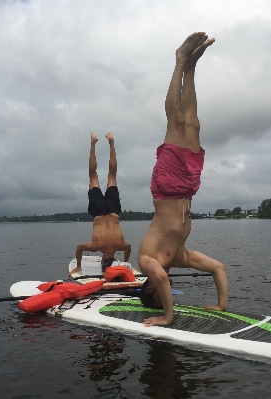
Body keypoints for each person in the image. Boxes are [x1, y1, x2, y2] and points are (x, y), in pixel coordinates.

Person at [137, 32, 229, 327]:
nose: (158, 285)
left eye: (155, 291)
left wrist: (167, 316)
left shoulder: (146, 261)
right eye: (161, 296)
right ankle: (192, 67)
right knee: (192, 122)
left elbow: (161, 277)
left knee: (175, 122)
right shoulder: (179, 256)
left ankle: (179, 60)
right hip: (188, 187)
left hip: (166, 187)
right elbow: (218, 268)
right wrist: (221, 305)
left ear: (148, 287)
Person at [69, 132, 132, 276]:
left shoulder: (122, 245)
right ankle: (93, 143)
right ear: (103, 259)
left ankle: (111, 142)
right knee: (93, 175)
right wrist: (79, 265)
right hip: (98, 211)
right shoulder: (96, 247)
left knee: (112, 175)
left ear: (114, 258)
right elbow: (79, 247)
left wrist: (126, 262)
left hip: (113, 210)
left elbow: (129, 248)